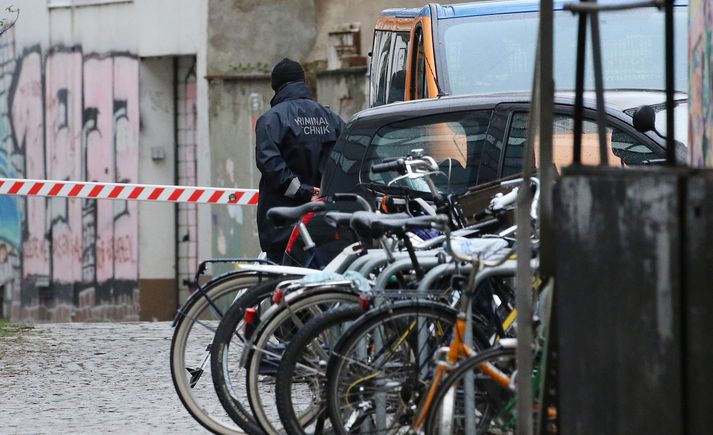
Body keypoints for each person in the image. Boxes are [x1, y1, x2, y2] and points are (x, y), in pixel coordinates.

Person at [255, 58, 345, 263]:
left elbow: (271, 164)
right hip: (326, 217)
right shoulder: (331, 118)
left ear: (276, 87)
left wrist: (303, 193)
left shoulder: (271, 120)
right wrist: (323, 194)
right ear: (302, 82)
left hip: (283, 223)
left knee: (283, 283)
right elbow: (347, 160)